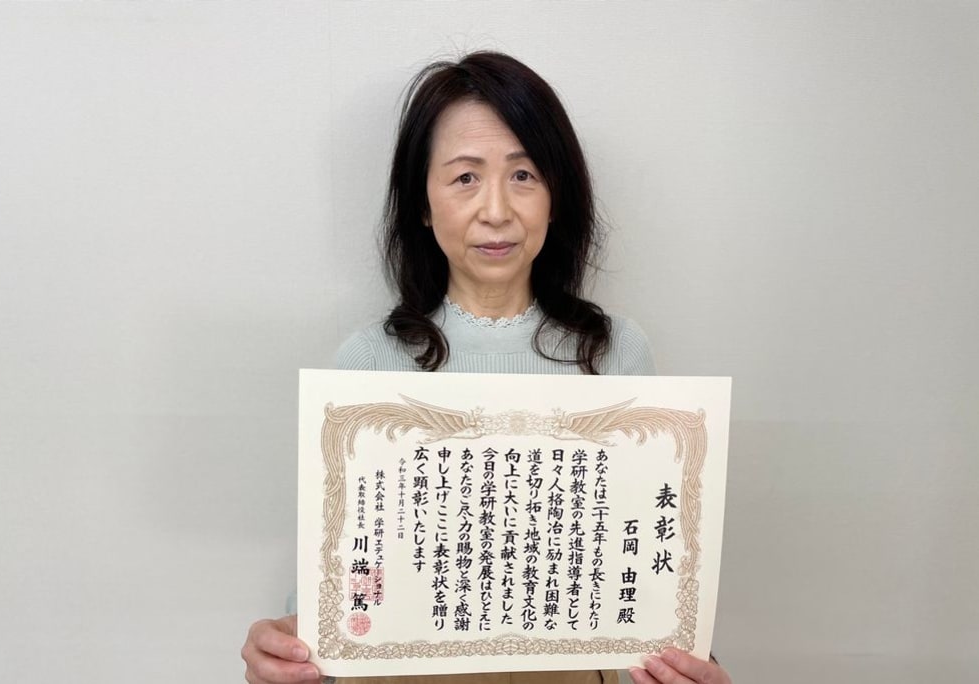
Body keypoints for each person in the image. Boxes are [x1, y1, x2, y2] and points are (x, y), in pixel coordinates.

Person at [242, 51, 732, 684]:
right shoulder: (369, 360)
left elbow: (650, 566)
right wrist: (287, 648)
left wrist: (689, 663)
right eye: (465, 177)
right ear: (423, 203)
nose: (496, 210)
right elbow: (342, 571)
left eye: (524, 174)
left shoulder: (616, 353)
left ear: (556, 197)